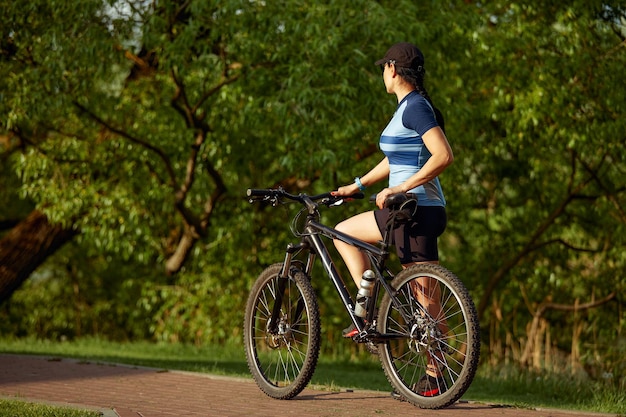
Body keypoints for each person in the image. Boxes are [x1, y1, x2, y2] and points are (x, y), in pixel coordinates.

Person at [332, 42, 454, 397]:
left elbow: (443, 155)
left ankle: (367, 313)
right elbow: (395, 156)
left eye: (383, 67)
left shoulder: (415, 108)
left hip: (412, 211)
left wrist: (400, 187)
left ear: (393, 69)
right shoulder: (410, 108)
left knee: (426, 303)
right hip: (411, 211)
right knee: (423, 298)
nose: (382, 74)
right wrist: (356, 185)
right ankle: (371, 307)